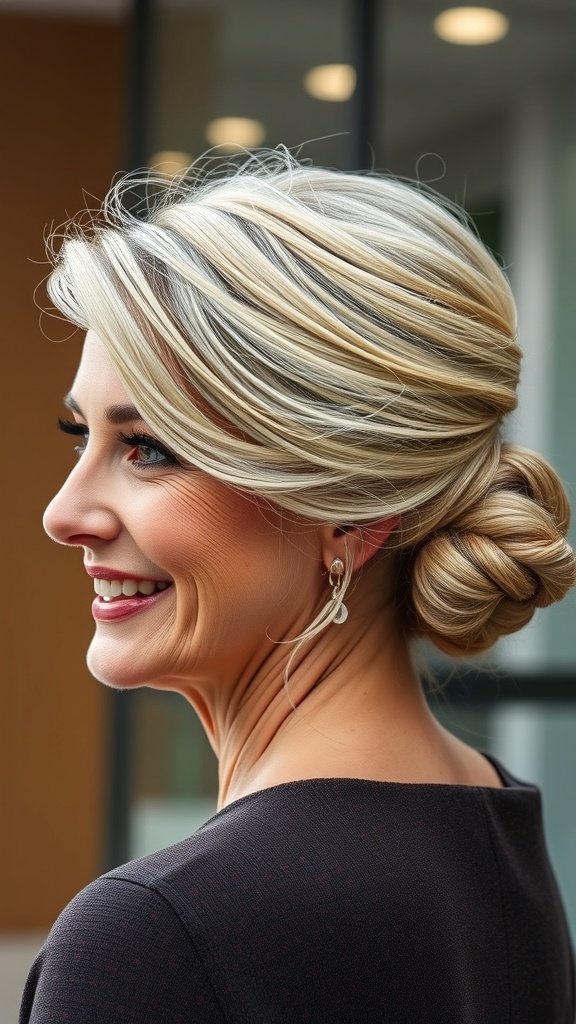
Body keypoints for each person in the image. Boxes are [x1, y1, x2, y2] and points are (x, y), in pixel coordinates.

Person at [21, 149, 575, 1023]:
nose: (64, 513)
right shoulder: (488, 820)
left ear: (352, 510)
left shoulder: (158, 937)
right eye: (77, 434)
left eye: (149, 448)